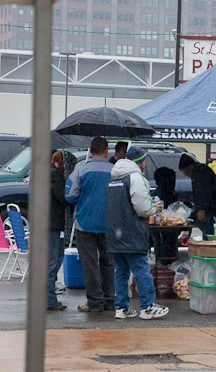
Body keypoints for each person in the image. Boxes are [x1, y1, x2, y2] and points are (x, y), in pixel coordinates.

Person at [107, 146, 169, 320]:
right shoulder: (136, 177)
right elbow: (142, 209)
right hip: (132, 232)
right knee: (141, 270)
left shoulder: (114, 178)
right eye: (144, 161)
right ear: (140, 162)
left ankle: (121, 308)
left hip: (115, 233)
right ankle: (147, 307)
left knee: (121, 271)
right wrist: (153, 209)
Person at [65, 136, 116, 313]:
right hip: (110, 224)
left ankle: (95, 302)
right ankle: (110, 300)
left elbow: (70, 196)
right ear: (106, 150)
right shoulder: (115, 171)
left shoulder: (81, 171)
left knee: (90, 264)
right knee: (108, 263)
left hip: (85, 224)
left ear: (91, 151)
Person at [179, 153, 216, 237]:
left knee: (212, 233)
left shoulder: (199, 172)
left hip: (214, 208)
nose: (185, 174)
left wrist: (202, 209)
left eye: (184, 170)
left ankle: (211, 249)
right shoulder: (201, 170)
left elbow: (203, 191)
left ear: (190, 166)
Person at [47, 150, 68, 311]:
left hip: (46, 222)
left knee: (52, 260)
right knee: (53, 261)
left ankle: (47, 296)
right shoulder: (54, 175)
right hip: (53, 223)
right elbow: (62, 197)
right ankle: (49, 299)